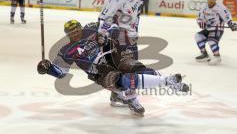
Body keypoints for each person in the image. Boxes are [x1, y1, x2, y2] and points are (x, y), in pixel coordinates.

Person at [37, 20, 190, 116]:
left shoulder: (92, 28)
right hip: (99, 72)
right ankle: (134, 96)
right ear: (67, 34)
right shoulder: (65, 50)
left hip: (115, 57)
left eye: (77, 29)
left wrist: (105, 35)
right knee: (124, 81)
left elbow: (115, 27)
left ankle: (168, 82)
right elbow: (61, 73)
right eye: (71, 31)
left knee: (138, 69)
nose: (75, 32)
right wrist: (48, 68)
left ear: (81, 27)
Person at [97, 0, 164, 109]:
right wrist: (101, 36)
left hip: (132, 36)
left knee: (123, 69)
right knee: (131, 68)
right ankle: (132, 99)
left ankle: (117, 93)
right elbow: (104, 19)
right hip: (120, 37)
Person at [195, 0, 237, 65]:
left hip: (218, 29)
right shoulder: (204, 7)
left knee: (211, 41)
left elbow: (227, 17)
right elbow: (199, 18)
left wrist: (231, 24)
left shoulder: (220, 8)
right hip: (208, 28)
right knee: (198, 36)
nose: (211, 1)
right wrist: (200, 23)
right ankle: (204, 54)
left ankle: (217, 57)